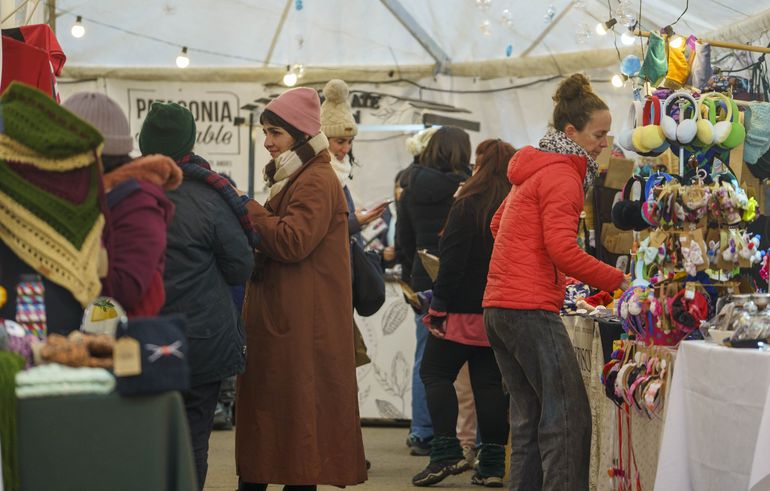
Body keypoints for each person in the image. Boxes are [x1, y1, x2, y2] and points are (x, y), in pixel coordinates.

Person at [483, 74, 629, 491]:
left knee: (529, 417)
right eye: (599, 135)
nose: (604, 143)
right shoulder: (563, 176)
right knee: (567, 418)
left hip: (499, 306)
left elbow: (498, 224)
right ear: (571, 132)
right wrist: (620, 280)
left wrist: (539, 269)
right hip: (528, 308)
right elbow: (562, 249)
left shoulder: (533, 170)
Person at [236, 87, 367, 491]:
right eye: (265, 131)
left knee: (298, 432)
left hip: (300, 326)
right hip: (290, 321)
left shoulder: (314, 179)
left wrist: (248, 209)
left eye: (274, 132)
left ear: (298, 133)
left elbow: (293, 241)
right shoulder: (299, 176)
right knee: (289, 429)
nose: (267, 141)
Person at [138, 102, 255, 491]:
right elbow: (241, 266)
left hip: (143, 338)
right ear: (189, 141)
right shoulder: (212, 195)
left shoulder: (125, 193)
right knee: (192, 438)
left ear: (144, 142)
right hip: (202, 339)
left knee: (143, 436)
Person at [412, 139, 515, 488]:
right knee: (488, 385)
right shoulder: (516, 204)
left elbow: (452, 263)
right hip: (498, 312)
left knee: (434, 372)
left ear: (479, 166)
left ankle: (445, 453)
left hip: (460, 312)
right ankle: (491, 466)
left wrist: (437, 307)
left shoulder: (467, 204)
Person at [62, 92, 182, 317]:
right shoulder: (93, 196)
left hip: (119, 343)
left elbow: (122, 292)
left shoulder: (140, 205)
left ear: (95, 156)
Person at [397, 126, 472, 456]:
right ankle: (464, 436)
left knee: (425, 361)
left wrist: (411, 274)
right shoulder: (468, 189)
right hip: (461, 280)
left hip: (423, 279)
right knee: (468, 366)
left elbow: (403, 241)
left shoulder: (409, 186)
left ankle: (423, 431)